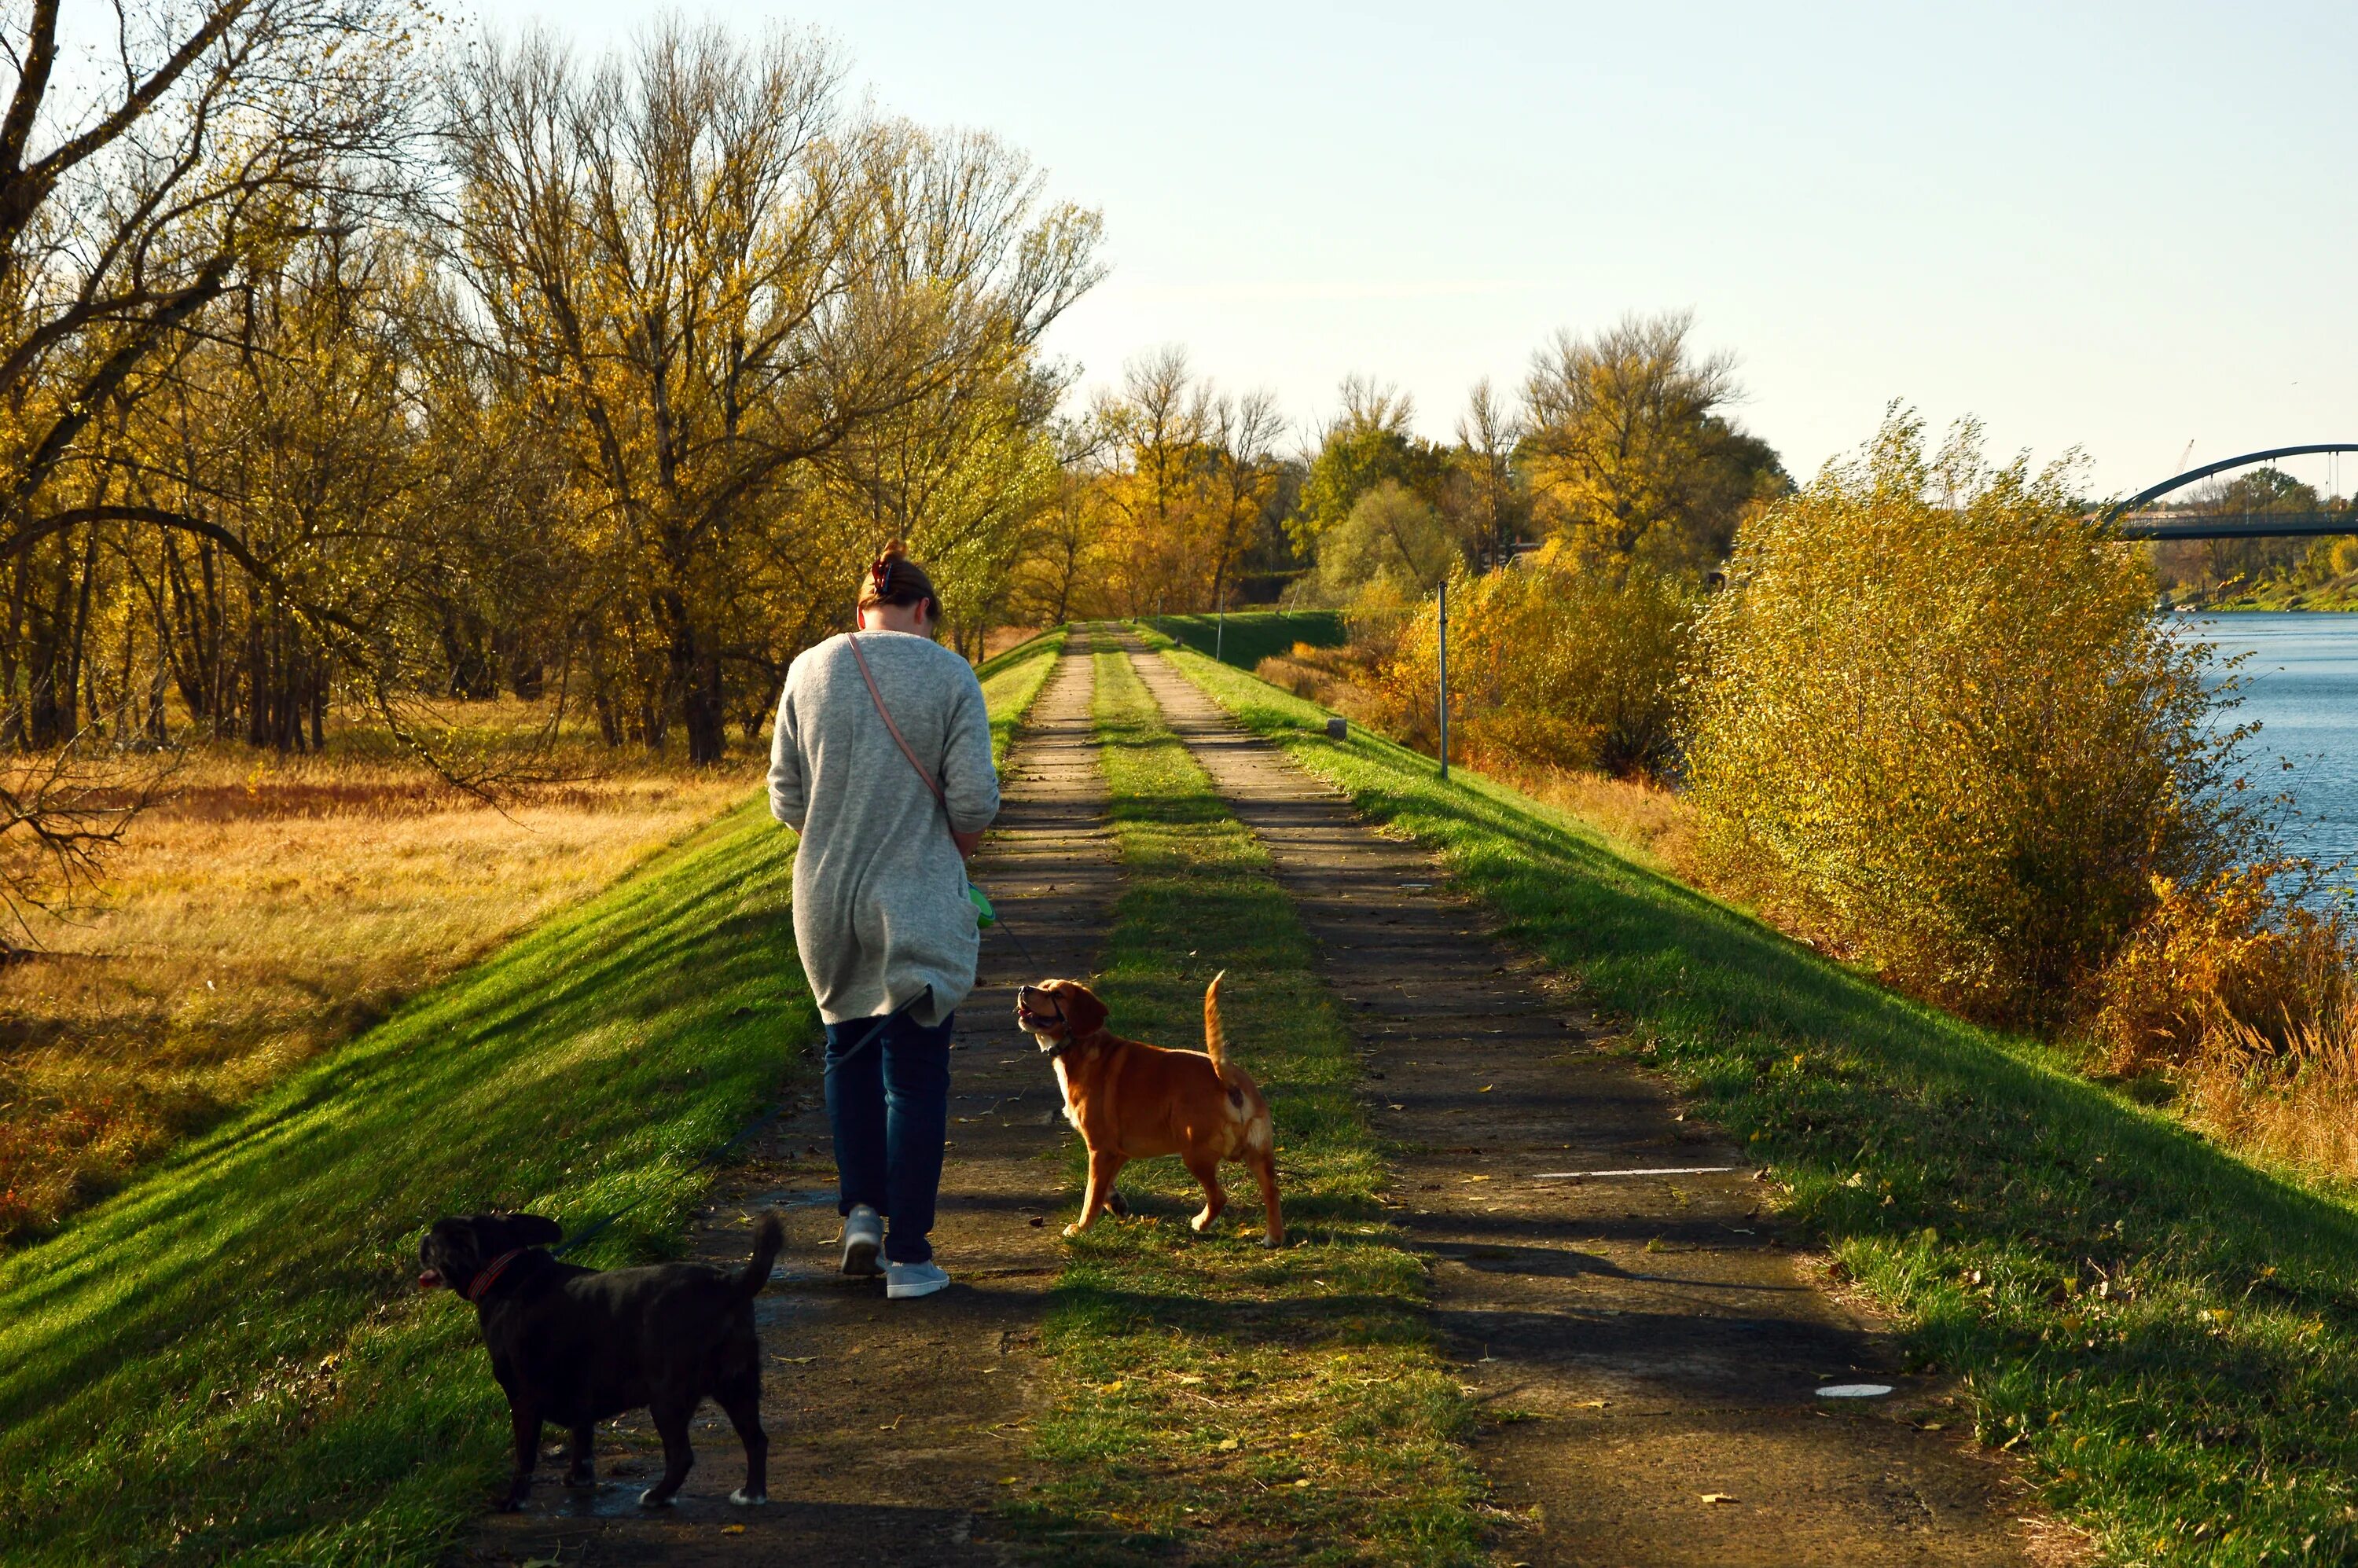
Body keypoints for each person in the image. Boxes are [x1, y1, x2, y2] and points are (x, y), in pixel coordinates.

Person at [767, 543, 999, 1299]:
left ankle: (861, 1213)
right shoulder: (950, 674)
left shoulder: (807, 670)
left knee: (848, 1055)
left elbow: (786, 801)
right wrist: (943, 849)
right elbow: (972, 805)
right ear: (925, 610)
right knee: (917, 1075)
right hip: (917, 900)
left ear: (860, 612)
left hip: (825, 899)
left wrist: (842, 835)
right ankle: (909, 1257)